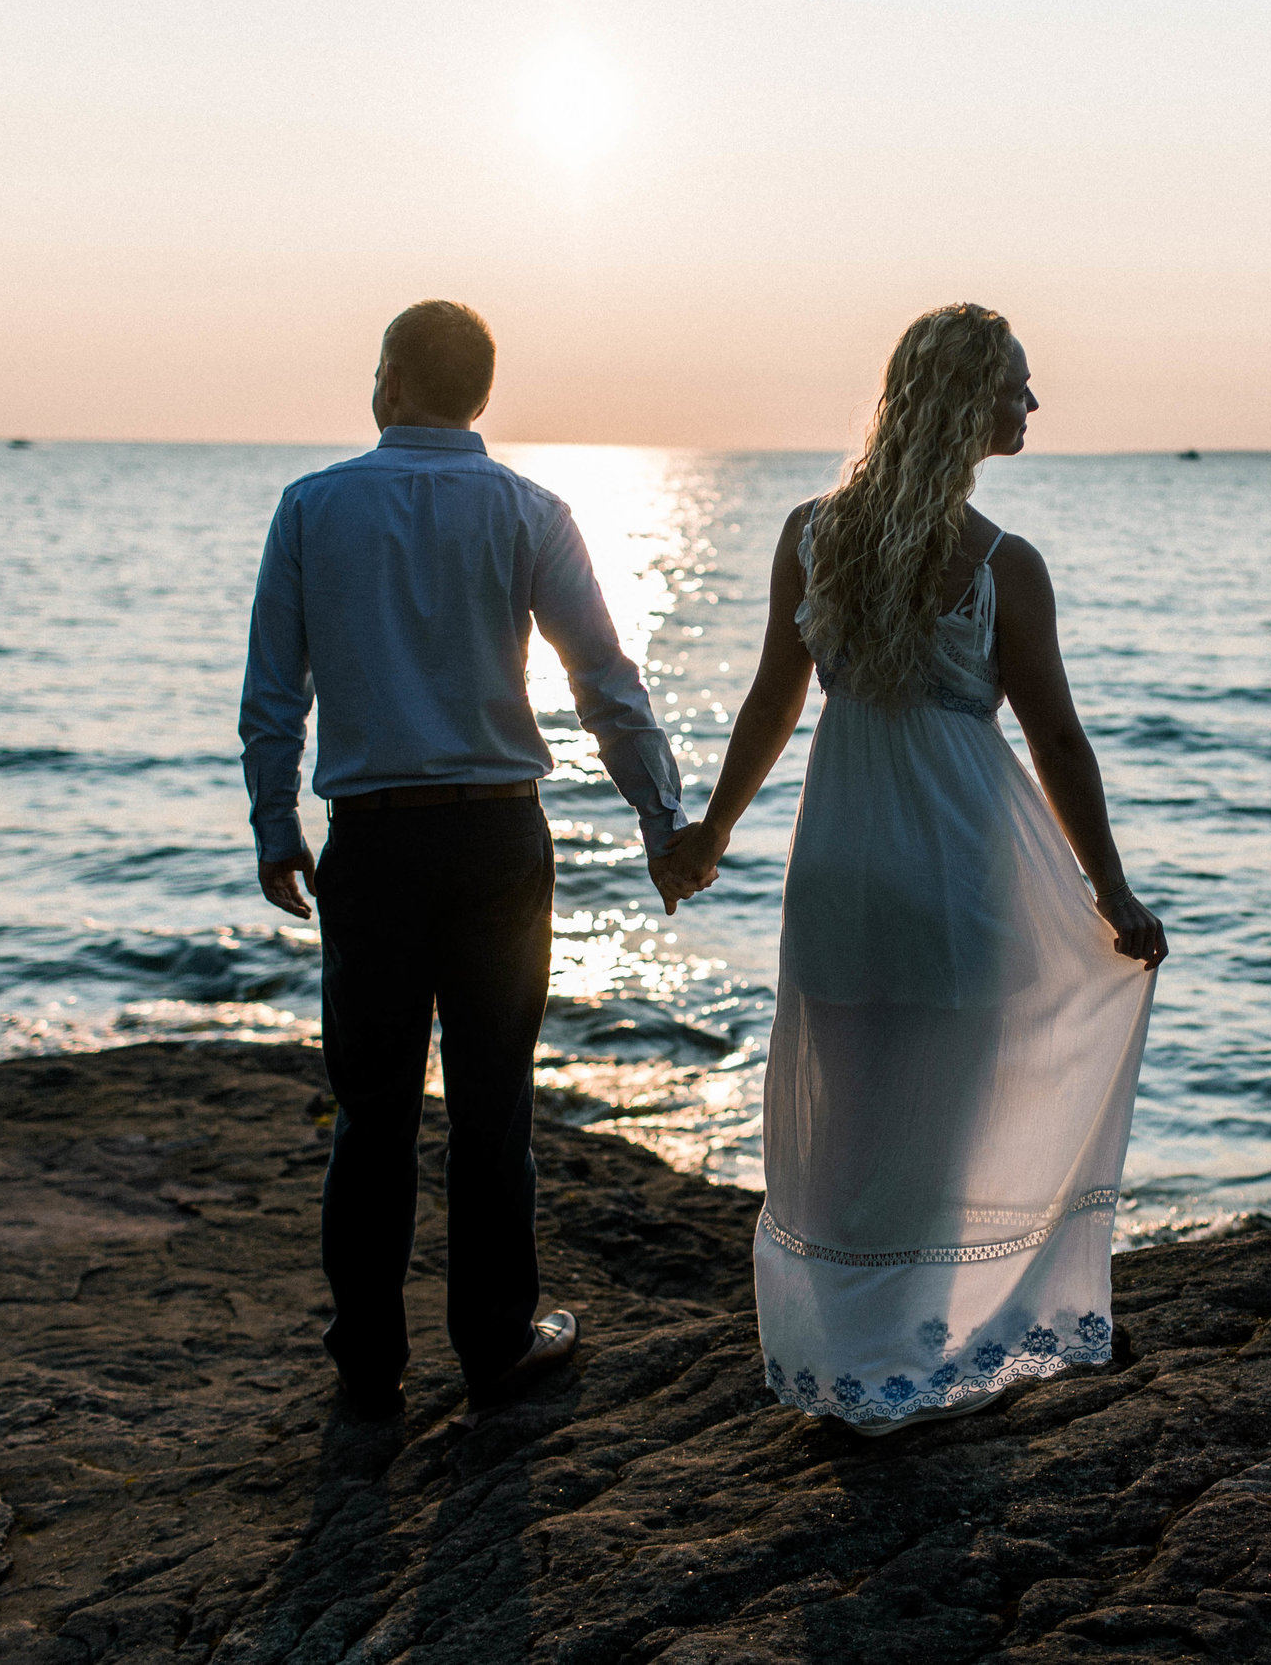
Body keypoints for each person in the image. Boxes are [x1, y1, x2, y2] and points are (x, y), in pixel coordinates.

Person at [657, 303, 1166, 1434]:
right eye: (1015, 387)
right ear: (965, 401)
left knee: (844, 1124)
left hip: (838, 858)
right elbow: (1059, 743)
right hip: (950, 866)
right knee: (938, 1122)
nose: (1031, 406)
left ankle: (845, 1358)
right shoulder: (1002, 565)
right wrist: (1110, 891)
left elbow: (769, 705)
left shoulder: (808, 531)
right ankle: (912, 1358)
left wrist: (711, 834)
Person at [239, 300, 692, 1423]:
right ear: (479, 392)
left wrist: (273, 826)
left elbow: (271, 697)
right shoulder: (531, 511)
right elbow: (606, 681)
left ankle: (367, 1365)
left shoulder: (312, 507)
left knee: (372, 1109)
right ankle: (493, 1343)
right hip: (496, 838)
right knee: (494, 1108)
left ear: (391, 377)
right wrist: (660, 818)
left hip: (374, 840)